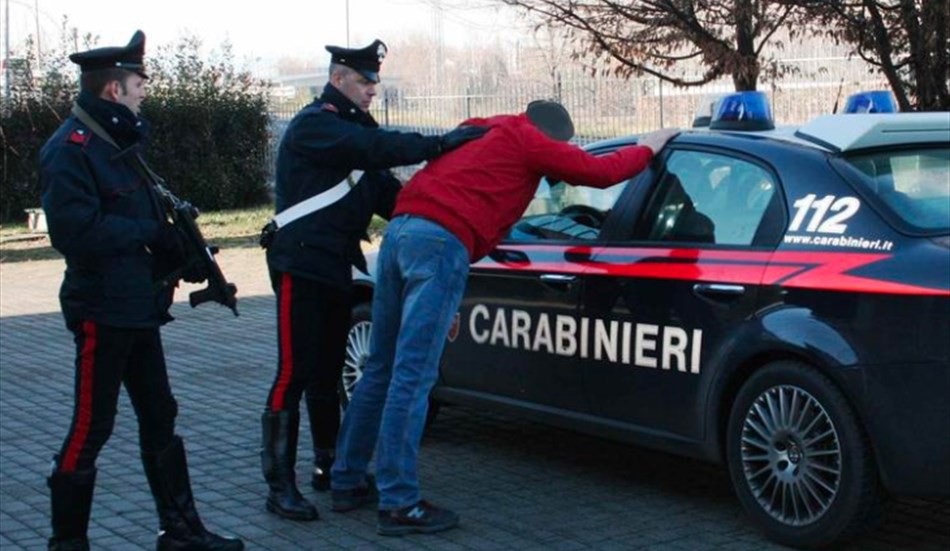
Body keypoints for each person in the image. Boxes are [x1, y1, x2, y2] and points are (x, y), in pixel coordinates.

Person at [331, 100, 680, 536]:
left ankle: (345, 481)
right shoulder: (530, 140)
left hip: (400, 233)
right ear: (552, 138)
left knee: (380, 367)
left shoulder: (481, 128)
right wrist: (649, 147)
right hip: (440, 243)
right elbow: (601, 173)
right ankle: (399, 502)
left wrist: (447, 299)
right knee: (413, 376)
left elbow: (464, 191)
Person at [261, 38, 486, 521]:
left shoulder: (356, 131)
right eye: (364, 82)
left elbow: (395, 199)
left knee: (325, 371)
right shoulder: (317, 124)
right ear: (338, 78)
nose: (371, 92)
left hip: (335, 265)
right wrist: (438, 144)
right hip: (299, 263)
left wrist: (448, 212)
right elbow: (373, 149)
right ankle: (279, 485)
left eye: (373, 84)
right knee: (294, 371)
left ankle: (329, 465)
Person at [39, 31, 243, 550]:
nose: (143, 91)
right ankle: (67, 543)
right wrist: (150, 234)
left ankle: (180, 530)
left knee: (160, 414)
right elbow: (74, 233)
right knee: (92, 424)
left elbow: (142, 216)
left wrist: (181, 253)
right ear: (113, 89)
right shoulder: (72, 149)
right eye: (138, 83)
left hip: (138, 306)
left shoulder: (121, 144)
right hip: (101, 309)